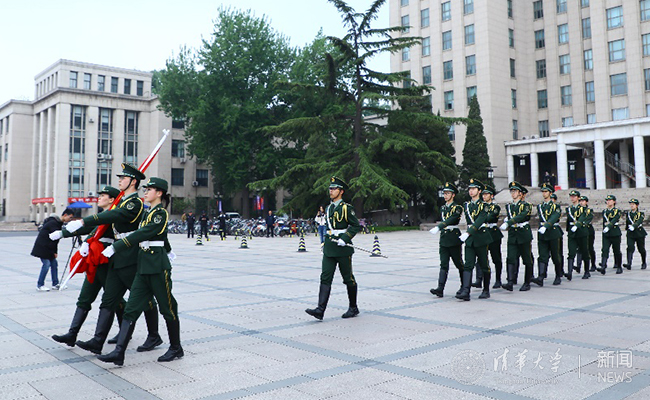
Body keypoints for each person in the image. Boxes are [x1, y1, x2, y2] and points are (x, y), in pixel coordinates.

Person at [59, 163, 162, 355]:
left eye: (123, 178)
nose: (120, 181)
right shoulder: (123, 202)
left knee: (145, 298)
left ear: (133, 182)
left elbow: (114, 216)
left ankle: (154, 334)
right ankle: (98, 341)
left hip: (130, 256)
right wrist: (65, 231)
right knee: (109, 300)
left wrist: (83, 220)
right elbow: (102, 225)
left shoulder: (134, 203)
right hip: (117, 256)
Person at [98, 177, 183, 365]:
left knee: (167, 308)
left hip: (158, 267)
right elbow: (158, 235)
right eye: (145, 189)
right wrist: (169, 249)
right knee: (131, 308)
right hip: (143, 266)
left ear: (159, 193)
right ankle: (119, 352)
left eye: (149, 190)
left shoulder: (160, 213)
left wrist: (118, 246)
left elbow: (145, 233)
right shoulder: (147, 213)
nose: (145, 192)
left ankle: (176, 348)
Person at [52, 186, 126, 347]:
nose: (99, 198)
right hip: (94, 263)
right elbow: (85, 228)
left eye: (103, 196)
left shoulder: (114, 217)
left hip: (107, 263)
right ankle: (72, 334)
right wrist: (62, 233)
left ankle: (124, 330)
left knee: (115, 300)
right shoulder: (99, 217)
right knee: (84, 298)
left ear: (112, 200)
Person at [305, 176, 361, 320]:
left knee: (348, 279)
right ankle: (320, 310)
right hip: (330, 247)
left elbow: (355, 225)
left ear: (341, 191)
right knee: (325, 277)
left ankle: (353, 307)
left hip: (342, 248)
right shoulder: (329, 208)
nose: (331, 191)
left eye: (334, 189)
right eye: (330, 188)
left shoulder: (347, 208)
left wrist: (346, 238)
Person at [457, 179, 492, 300]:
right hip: (470, 239)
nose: (471, 191)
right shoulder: (467, 205)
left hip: (481, 237)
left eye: (474, 189)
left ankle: (486, 289)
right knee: (468, 264)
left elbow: (480, 220)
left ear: (479, 191)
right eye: (470, 189)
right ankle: (466, 291)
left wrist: (468, 233)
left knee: (484, 265)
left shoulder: (485, 206)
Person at [429, 182, 464, 298]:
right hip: (444, 238)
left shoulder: (458, 208)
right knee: (443, 264)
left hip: (453, 237)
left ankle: (464, 286)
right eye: (444, 193)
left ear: (453, 195)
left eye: (448, 193)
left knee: (459, 263)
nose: (445, 195)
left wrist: (439, 226)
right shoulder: (443, 208)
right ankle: (440, 288)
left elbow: (452, 219)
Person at [500, 181, 534, 292]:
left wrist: (509, 222)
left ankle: (527, 282)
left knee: (526, 259)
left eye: (515, 191)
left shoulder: (526, 205)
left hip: (523, 233)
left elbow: (522, 215)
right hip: (513, 234)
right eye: (512, 191)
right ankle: (510, 281)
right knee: (511, 257)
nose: (513, 193)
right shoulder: (509, 206)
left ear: (520, 193)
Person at [32, 209, 74, 291]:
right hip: (42, 247)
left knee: (54, 264)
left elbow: (56, 240)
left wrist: (55, 251)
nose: (70, 219)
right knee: (46, 265)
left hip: (49, 248)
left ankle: (55, 284)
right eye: (70, 217)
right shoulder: (53, 223)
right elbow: (56, 236)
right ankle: (40, 285)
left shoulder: (57, 223)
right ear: (65, 215)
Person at [532, 183, 563, 286]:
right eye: (543, 192)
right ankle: (541, 276)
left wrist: (547, 226)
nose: (544, 194)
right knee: (542, 255)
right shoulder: (540, 206)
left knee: (555, 255)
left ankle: (558, 275)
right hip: (542, 233)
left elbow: (555, 216)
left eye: (546, 192)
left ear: (550, 193)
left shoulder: (556, 206)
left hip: (553, 232)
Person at [565, 190, 591, 281]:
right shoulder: (569, 209)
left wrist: (577, 225)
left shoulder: (583, 209)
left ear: (578, 198)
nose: (572, 198)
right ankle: (569, 272)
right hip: (572, 233)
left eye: (574, 196)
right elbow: (568, 221)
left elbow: (582, 217)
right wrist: (568, 230)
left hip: (581, 232)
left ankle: (587, 271)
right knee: (571, 252)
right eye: (571, 196)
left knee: (584, 251)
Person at [481, 185, 504, 289]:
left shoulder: (495, 207)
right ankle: (479, 279)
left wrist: (480, 219)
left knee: (496, 257)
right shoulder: (481, 206)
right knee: (481, 257)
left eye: (486, 194)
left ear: (491, 195)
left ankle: (498, 279)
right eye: (483, 194)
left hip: (493, 234)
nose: (484, 196)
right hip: (483, 233)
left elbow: (490, 217)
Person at [597, 195, 623, 274]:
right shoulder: (605, 211)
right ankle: (603, 266)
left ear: (614, 201)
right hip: (607, 234)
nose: (608, 202)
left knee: (616, 250)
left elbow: (615, 219)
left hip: (615, 232)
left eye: (610, 200)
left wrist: (608, 226)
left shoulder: (617, 211)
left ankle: (619, 266)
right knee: (604, 250)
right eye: (607, 200)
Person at [623, 198, 647, 270]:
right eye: (631, 204)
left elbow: (639, 221)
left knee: (641, 248)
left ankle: (644, 262)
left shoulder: (641, 214)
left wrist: (634, 226)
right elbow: (627, 222)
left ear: (637, 205)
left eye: (633, 204)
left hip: (639, 233)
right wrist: (627, 228)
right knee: (630, 247)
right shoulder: (628, 214)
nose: (632, 206)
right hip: (631, 233)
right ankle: (629, 263)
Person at [578, 196, 597, 273]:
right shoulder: (577, 210)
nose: (581, 202)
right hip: (580, 230)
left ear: (586, 202)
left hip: (588, 230)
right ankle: (578, 265)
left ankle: (593, 264)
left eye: (583, 201)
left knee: (589, 248)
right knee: (579, 248)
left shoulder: (589, 210)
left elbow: (588, 218)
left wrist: (580, 223)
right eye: (580, 201)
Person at [550, 193, 565, 276]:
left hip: (555, 230)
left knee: (558, 253)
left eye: (552, 199)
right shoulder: (544, 207)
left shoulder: (556, 208)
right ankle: (543, 273)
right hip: (546, 232)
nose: (551, 200)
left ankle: (560, 270)